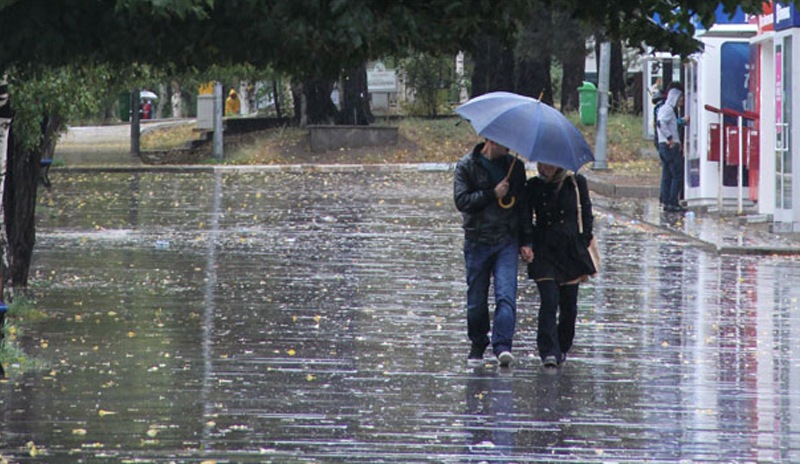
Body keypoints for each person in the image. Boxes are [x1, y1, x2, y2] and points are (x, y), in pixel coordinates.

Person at [454, 139, 534, 367]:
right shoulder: (467, 165)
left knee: (506, 295)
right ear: (490, 140)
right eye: (503, 142)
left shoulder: (514, 167)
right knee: (476, 300)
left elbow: (522, 206)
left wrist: (527, 240)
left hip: (506, 240)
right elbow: (461, 201)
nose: (508, 146)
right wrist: (492, 194)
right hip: (477, 241)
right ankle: (478, 344)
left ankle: (503, 346)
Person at [525, 163, 595, 368]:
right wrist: (526, 243)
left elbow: (587, 212)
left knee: (569, 305)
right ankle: (548, 350)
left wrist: (584, 239)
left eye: (550, 163)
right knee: (549, 300)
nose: (545, 167)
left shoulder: (575, 182)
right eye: (541, 163)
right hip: (544, 251)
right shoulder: (533, 186)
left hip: (571, 251)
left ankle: (563, 345)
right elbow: (526, 219)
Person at [656, 84, 686, 212]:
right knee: (677, 174)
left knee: (667, 175)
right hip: (669, 146)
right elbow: (661, 123)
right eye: (681, 99)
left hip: (663, 146)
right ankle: (673, 202)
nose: (682, 102)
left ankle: (666, 201)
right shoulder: (668, 110)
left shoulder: (664, 109)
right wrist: (670, 138)